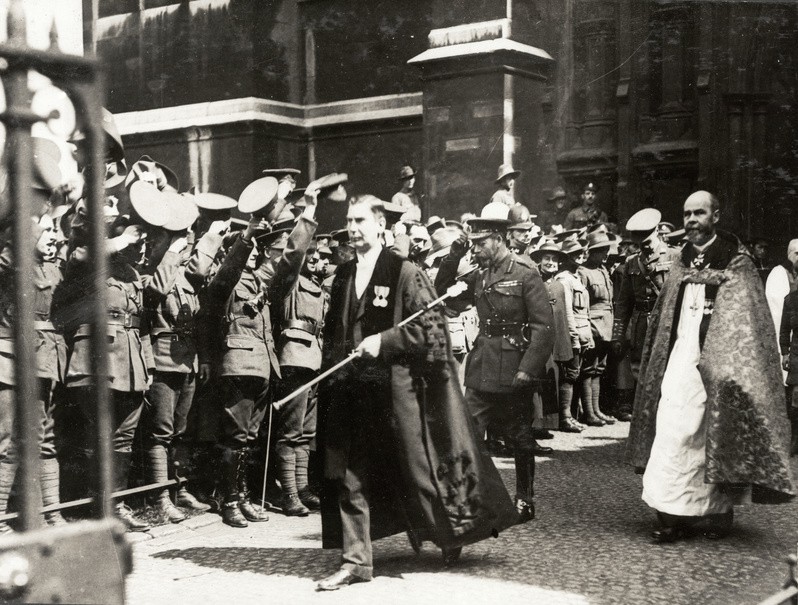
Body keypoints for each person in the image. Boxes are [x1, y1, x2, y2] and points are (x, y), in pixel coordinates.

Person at [317, 195, 518, 591]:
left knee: (419, 472)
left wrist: (386, 339)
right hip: (355, 392)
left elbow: (431, 332)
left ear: (381, 225)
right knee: (351, 476)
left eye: (360, 221)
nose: (352, 228)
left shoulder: (405, 272)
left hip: (397, 394)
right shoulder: (342, 276)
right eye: (349, 221)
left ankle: (449, 535)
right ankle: (356, 562)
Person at [627, 190, 795, 543]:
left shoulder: (736, 262)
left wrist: (724, 363)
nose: (691, 220)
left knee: (712, 435)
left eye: (699, 213)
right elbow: (665, 315)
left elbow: (747, 322)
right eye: (687, 214)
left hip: (719, 363)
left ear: (715, 217)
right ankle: (671, 513)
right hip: (679, 358)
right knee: (673, 428)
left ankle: (718, 510)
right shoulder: (678, 260)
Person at [205, 187, 319, 528]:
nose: (255, 255)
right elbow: (227, 272)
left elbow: (289, 260)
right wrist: (247, 235)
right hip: (238, 367)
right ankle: (228, 500)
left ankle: (241, 496)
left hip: (264, 367)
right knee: (235, 436)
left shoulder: (259, 281)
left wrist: (308, 215)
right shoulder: (226, 282)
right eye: (250, 251)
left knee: (250, 438)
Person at [435, 213, 555, 522]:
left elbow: (544, 327)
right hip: (482, 366)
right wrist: (454, 254)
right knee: (467, 432)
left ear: (499, 240)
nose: (475, 250)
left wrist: (528, 369)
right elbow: (444, 290)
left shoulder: (526, 273)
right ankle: (469, 498)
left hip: (514, 369)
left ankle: (525, 499)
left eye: (480, 243)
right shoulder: (480, 274)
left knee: (520, 436)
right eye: (472, 244)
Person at [274, 240, 329, 516]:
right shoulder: (292, 281)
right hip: (294, 357)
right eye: (313, 254)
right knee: (290, 431)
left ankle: (303, 487)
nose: (317, 259)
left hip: (314, 359)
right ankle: (289, 493)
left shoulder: (319, 286)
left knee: (307, 432)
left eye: (320, 256)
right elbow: (291, 259)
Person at [610, 208, 679, 422]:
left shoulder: (675, 256)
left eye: (647, 241)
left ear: (657, 231)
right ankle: (646, 416)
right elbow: (623, 303)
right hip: (641, 323)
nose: (644, 247)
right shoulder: (631, 262)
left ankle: (667, 414)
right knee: (640, 370)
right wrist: (618, 335)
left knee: (668, 368)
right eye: (640, 243)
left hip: (667, 322)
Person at [577, 230, 616, 425]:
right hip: (593, 326)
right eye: (601, 251)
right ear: (591, 252)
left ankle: (597, 410)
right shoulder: (583, 272)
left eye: (606, 250)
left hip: (606, 326)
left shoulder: (603, 270)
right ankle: (589, 412)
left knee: (599, 368)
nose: (605, 254)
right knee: (588, 369)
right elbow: (582, 304)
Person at [779, 290, 798, 456]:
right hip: (797, 357)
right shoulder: (791, 300)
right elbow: (784, 330)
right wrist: (785, 352)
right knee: (795, 402)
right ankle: (795, 438)